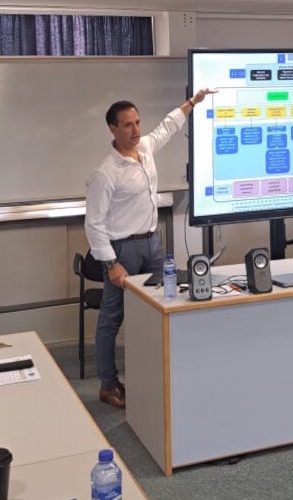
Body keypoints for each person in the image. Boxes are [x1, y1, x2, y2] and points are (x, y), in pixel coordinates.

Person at [86, 88, 214, 408]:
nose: (135, 130)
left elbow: (167, 127)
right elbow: (94, 224)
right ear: (113, 129)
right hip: (122, 250)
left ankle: (159, 377)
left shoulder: (144, 148)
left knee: (161, 307)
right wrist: (111, 264)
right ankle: (108, 385)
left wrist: (192, 103)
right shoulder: (105, 172)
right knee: (111, 319)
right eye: (127, 125)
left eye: (138, 123)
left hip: (152, 244)